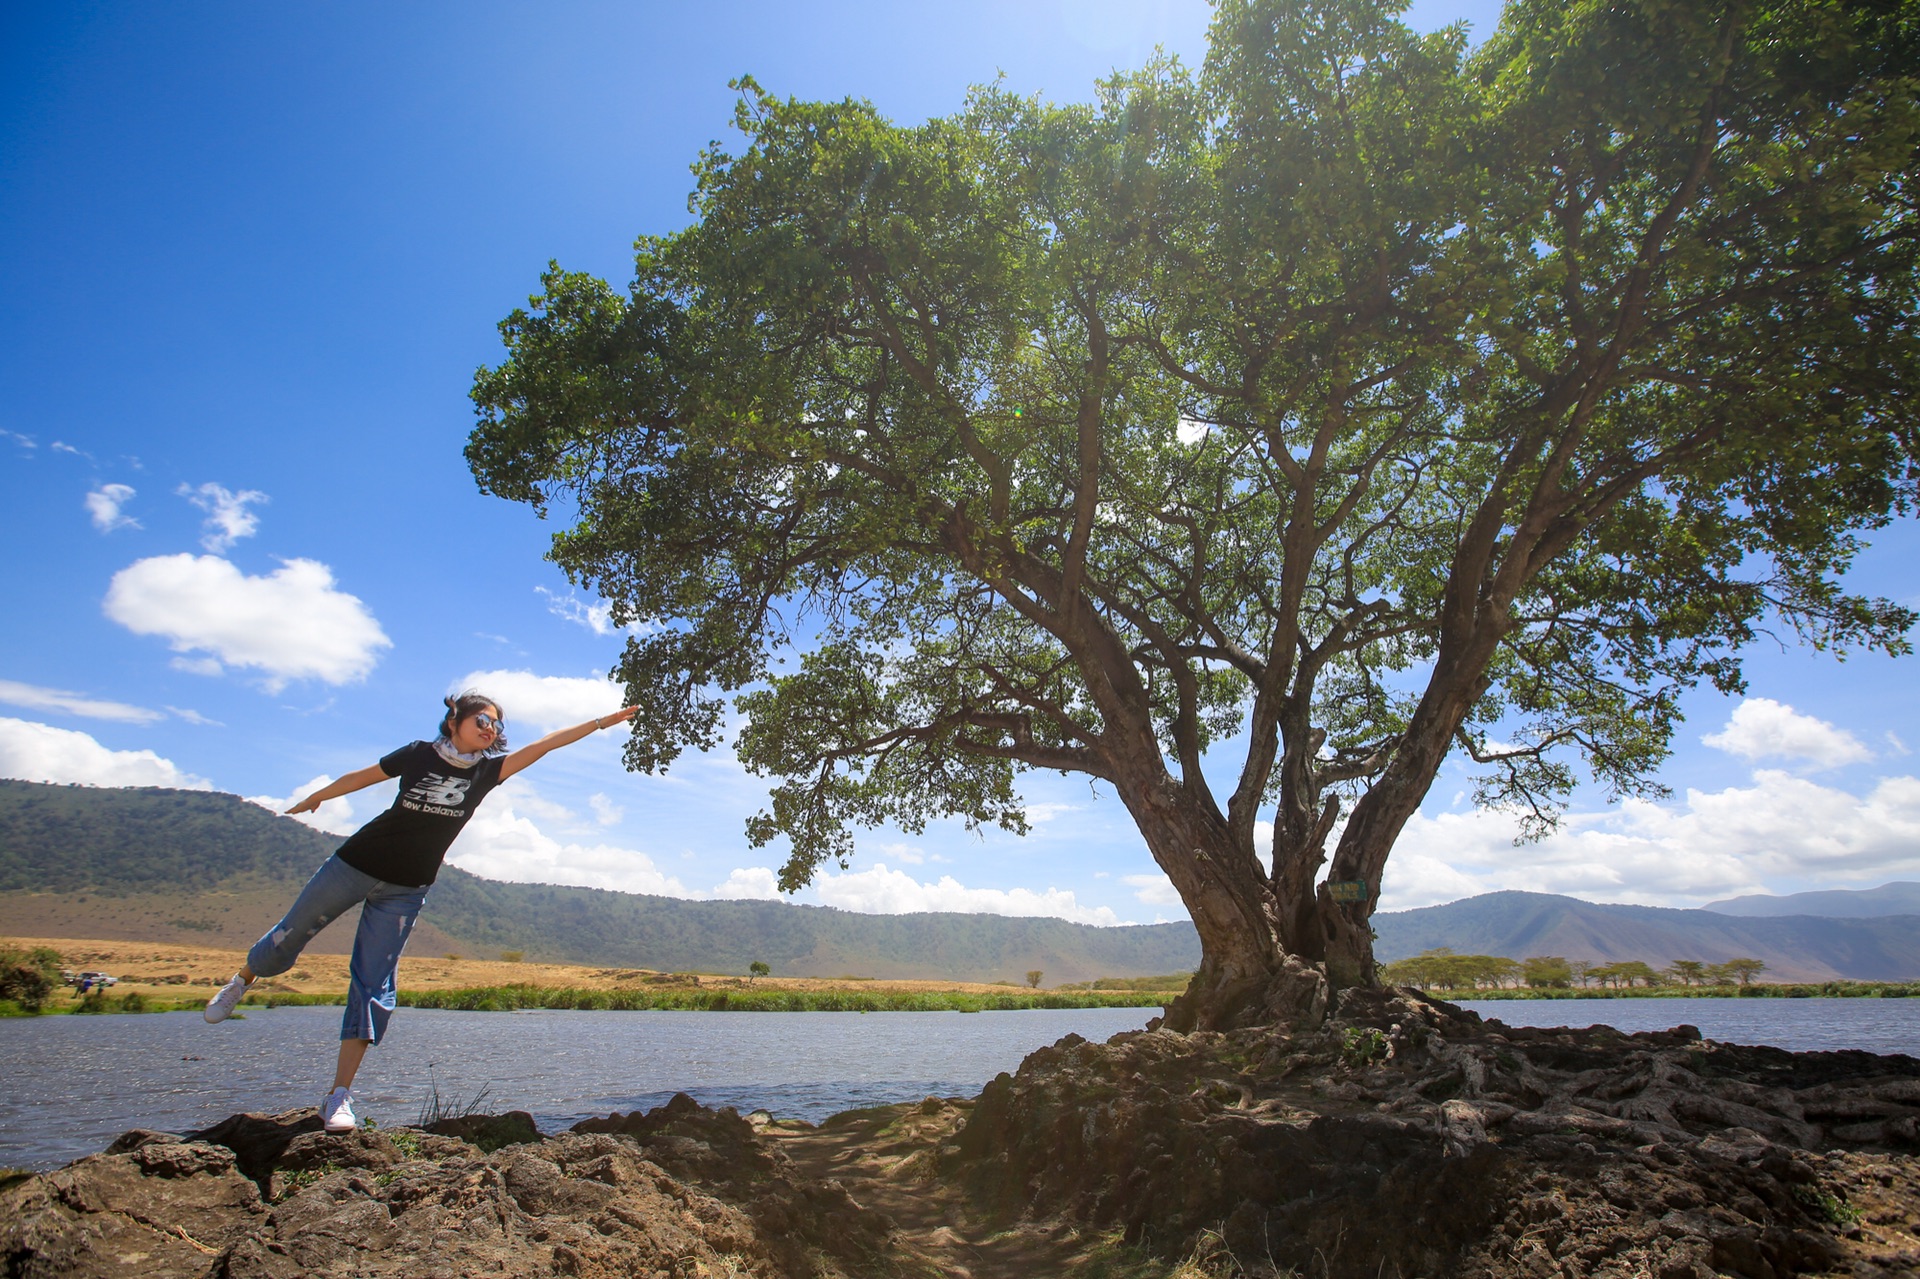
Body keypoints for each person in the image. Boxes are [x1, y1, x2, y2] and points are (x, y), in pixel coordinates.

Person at [203, 690, 638, 1133]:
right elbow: (364, 776)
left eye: (496, 725)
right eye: (482, 721)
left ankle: (338, 1096)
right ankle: (242, 980)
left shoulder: (489, 772)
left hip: (406, 889)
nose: (491, 730)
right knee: (287, 938)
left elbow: (545, 744)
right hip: (354, 865)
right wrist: (320, 795)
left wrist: (601, 722)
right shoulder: (418, 755)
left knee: (374, 984)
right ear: (455, 722)